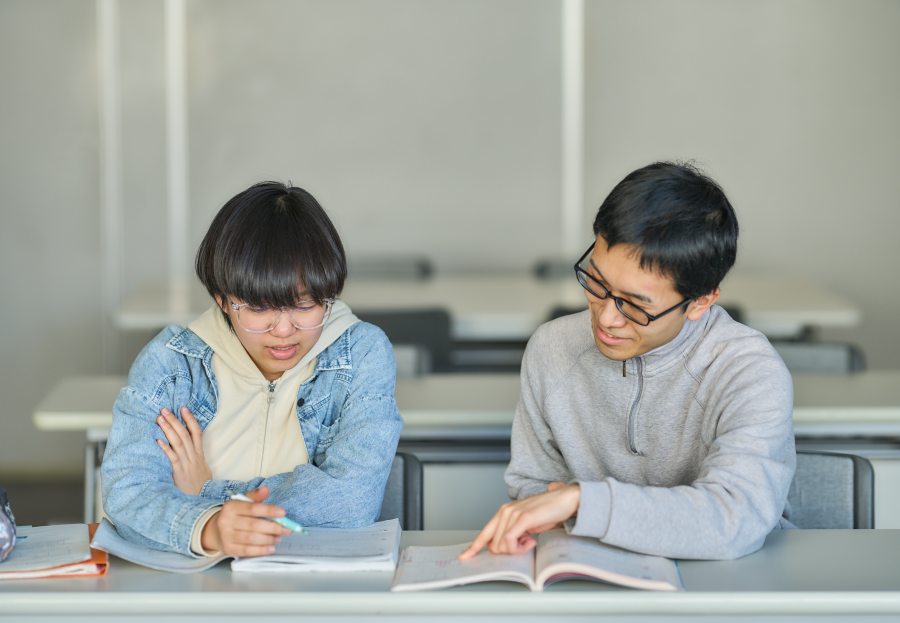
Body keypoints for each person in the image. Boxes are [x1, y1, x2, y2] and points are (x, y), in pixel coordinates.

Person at [460, 161, 795, 562]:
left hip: (730, 580)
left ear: (701, 301)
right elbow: (533, 487)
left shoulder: (748, 370)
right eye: (597, 283)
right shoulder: (551, 349)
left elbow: (734, 519)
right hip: (592, 570)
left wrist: (582, 502)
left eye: (636, 305)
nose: (606, 318)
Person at [102, 182, 402, 558]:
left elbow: (352, 500)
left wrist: (208, 496)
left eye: (305, 305)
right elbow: (126, 494)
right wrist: (211, 530)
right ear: (222, 300)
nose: (284, 329)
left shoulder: (361, 352)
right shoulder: (172, 363)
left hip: (314, 583)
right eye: (259, 308)